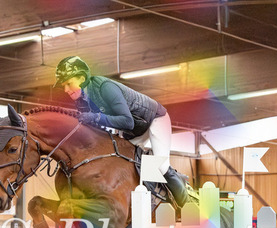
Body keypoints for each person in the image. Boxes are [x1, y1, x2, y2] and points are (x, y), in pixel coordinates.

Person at [53, 56, 187, 206]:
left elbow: (127, 121)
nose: (66, 90)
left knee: (160, 166)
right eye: (64, 86)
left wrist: (96, 117)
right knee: (124, 160)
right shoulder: (81, 100)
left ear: (82, 78)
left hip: (154, 120)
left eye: (69, 84)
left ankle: (186, 204)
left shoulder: (105, 88)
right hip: (133, 130)